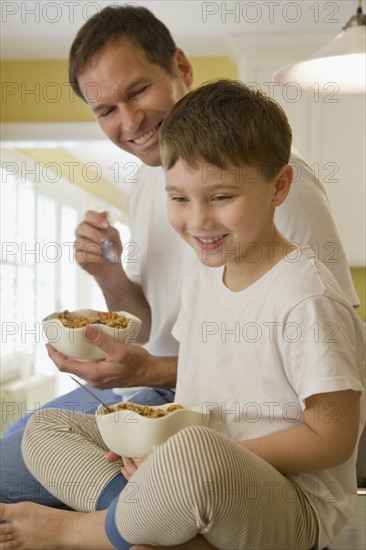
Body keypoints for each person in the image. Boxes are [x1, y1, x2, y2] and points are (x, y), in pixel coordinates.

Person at [0, 4, 360, 508]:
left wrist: (148, 373)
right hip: (171, 393)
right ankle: (141, 516)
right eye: (106, 111)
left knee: (6, 480)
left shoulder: (270, 187)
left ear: (181, 69)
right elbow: (149, 324)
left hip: (207, 406)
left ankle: (136, 519)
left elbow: (322, 349)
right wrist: (107, 272)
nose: (130, 122)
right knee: (36, 432)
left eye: (138, 91)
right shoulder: (151, 184)